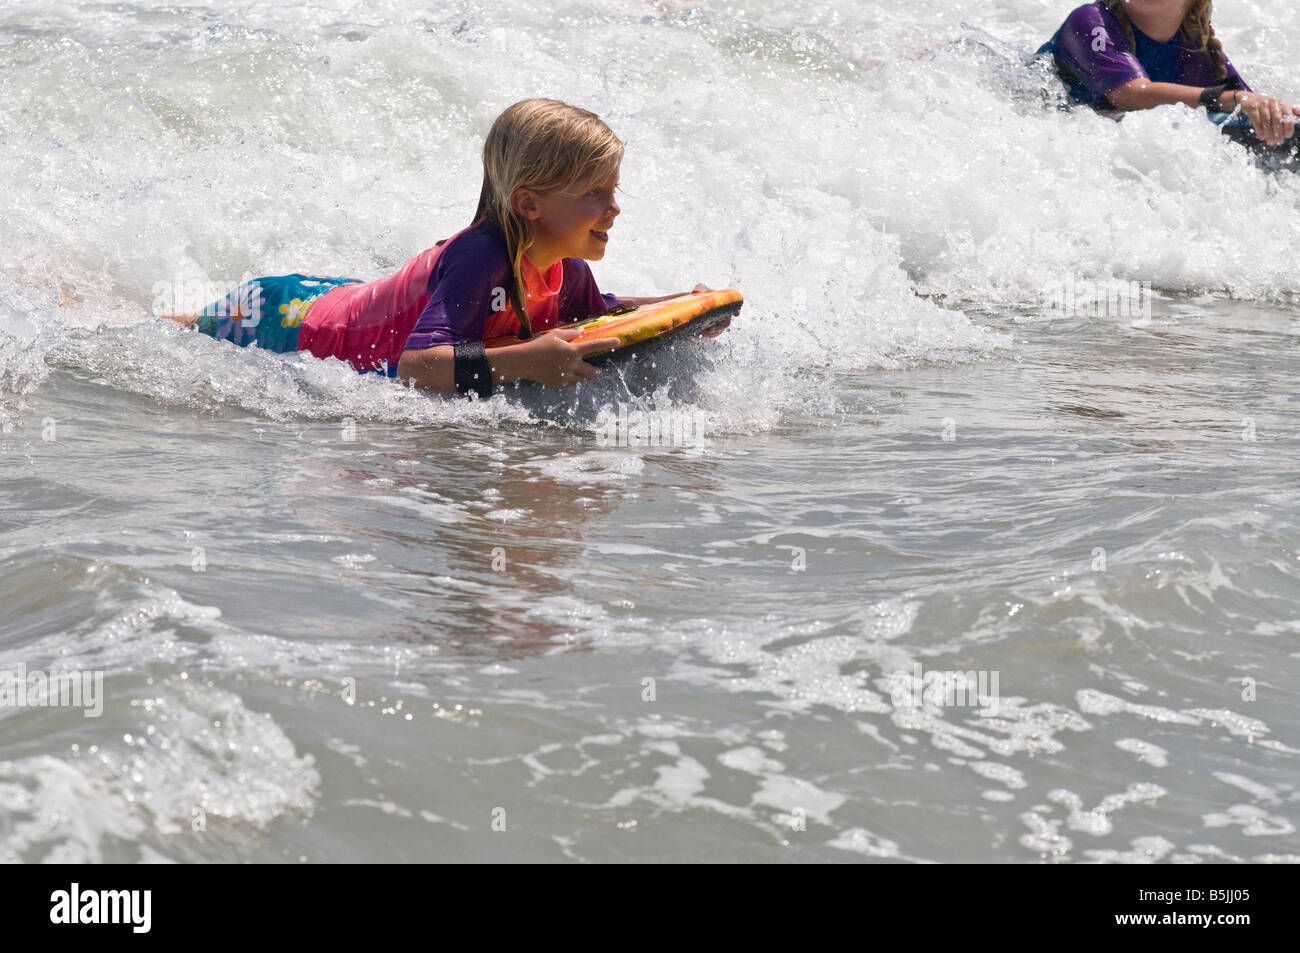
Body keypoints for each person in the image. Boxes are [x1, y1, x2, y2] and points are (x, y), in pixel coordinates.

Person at [165, 99, 723, 394]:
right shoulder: (483, 258)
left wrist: (680, 307)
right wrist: (528, 361)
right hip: (290, 318)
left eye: (614, 189)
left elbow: (599, 315)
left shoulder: (565, 267)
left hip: (349, 300)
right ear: (530, 204)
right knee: (178, 333)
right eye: (594, 193)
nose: (614, 207)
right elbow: (414, 367)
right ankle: (98, 318)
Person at [1038, 1, 1300, 168]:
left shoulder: (1197, 50)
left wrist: (1278, 118)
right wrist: (1230, 99)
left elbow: (1247, 109)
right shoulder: (1091, 19)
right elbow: (1129, 93)